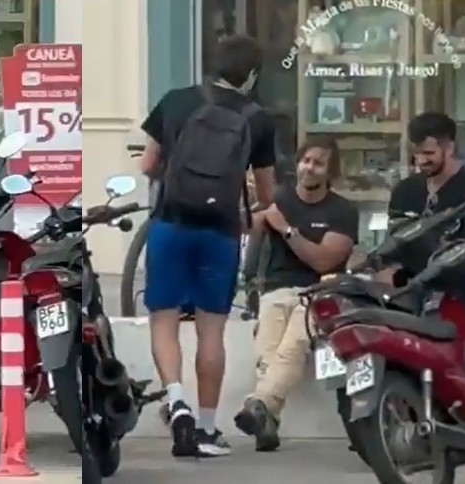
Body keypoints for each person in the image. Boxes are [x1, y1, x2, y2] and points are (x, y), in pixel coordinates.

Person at [139, 34, 277, 458]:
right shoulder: (258, 118)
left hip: (170, 223)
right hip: (219, 233)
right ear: (252, 74)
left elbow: (147, 164)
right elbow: (267, 195)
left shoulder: (176, 100)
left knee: (163, 319)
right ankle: (205, 427)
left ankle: (176, 400)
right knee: (211, 328)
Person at [232, 137, 358, 451]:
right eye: (305, 161)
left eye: (318, 163)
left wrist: (287, 230)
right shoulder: (278, 199)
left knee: (295, 341)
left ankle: (259, 403)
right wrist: (244, 204)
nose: (309, 168)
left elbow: (324, 259)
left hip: (322, 291)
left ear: (330, 171)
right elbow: (245, 228)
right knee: (268, 349)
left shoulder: (343, 211)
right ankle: (266, 418)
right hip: (277, 291)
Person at [381, 112, 465, 377]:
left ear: (449, 147)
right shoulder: (405, 191)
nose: (421, 161)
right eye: (416, 153)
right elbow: (392, 244)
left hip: (457, 291)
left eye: (428, 153)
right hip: (406, 289)